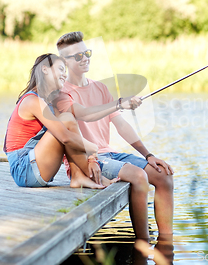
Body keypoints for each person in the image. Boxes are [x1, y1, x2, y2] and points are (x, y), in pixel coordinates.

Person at [54, 32, 174, 240]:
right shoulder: (62, 93)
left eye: (87, 53)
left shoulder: (100, 87)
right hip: (86, 159)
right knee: (139, 176)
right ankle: (143, 244)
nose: (85, 59)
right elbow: (85, 114)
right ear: (64, 61)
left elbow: (120, 124)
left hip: (110, 154)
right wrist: (119, 102)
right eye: (78, 56)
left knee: (164, 176)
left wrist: (148, 155)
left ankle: (166, 242)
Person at [3, 53, 112, 189]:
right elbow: (65, 137)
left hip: (34, 165)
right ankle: (95, 177)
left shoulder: (47, 103)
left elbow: (69, 139)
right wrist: (92, 149)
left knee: (67, 119)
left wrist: (90, 158)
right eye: (61, 69)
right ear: (45, 69)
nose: (65, 75)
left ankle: (78, 176)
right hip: (24, 169)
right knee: (66, 121)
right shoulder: (32, 100)